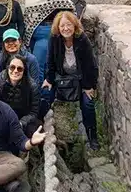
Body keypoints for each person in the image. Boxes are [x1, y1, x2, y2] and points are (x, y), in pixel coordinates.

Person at [42, 11, 100, 150]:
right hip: (61, 77)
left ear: (74, 26)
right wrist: (49, 80)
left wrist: (88, 86)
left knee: (88, 104)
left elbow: (90, 65)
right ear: (58, 27)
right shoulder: (54, 39)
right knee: (44, 96)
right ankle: (39, 133)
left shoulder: (82, 39)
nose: (65, 28)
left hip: (80, 79)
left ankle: (93, 137)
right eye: (62, 26)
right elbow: (49, 61)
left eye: (69, 25)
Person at [21, 0, 74, 77]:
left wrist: (59, 24)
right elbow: (28, 16)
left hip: (46, 31)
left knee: (38, 64)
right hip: (32, 34)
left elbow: (67, 6)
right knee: (35, 64)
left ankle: (42, 94)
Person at [0, 56, 41, 139]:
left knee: (32, 129)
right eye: (12, 67)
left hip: (23, 120)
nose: (15, 71)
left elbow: (33, 112)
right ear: (7, 68)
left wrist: (21, 123)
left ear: (24, 71)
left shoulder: (32, 86)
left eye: (19, 69)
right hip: (2, 119)